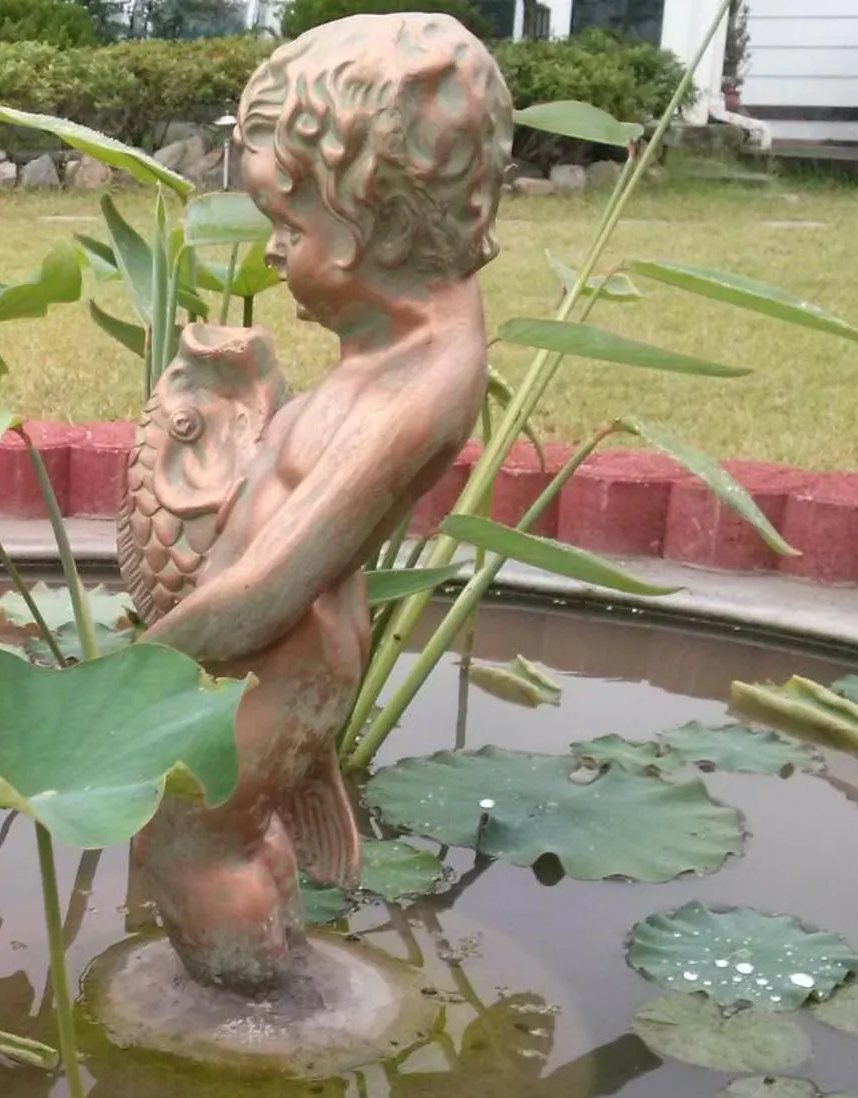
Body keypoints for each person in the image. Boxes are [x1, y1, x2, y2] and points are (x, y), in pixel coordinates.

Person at [130, 12, 513, 993]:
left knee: (183, 834)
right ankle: (277, 973)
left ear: (372, 222)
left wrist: (124, 683)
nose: (270, 254)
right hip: (271, 657)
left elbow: (271, 586)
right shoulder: (390, 347)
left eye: (287, 228)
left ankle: (249, 1013)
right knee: (225, 823)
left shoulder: (421, 384)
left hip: (282, 651)